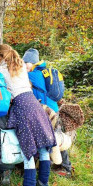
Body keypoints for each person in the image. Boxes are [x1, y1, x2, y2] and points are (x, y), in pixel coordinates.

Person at [0, 44, 56, 186]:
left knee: (27, 149)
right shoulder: (21, 66)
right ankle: (43, 185)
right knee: (42, 147)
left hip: (22, 106)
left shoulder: (1, 70)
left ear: (0, 57)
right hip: (34, 103)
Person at [22, 48, 73, 178]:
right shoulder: (44, 73)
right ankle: (63, 166)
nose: (24, 65)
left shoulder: (31, 75)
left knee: (52, 138)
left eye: (26, 63)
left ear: (32, 63)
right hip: (54, 109)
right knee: (55, 136)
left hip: (46, 111)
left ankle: (64, 167)